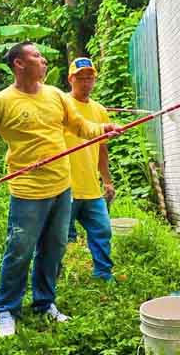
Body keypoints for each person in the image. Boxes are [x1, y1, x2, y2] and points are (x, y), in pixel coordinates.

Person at [0, 42, 122, 337]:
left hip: (63, 187)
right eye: (36, 56)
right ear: (19, 64)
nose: (44, 60)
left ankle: (44, 303)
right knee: (19, 251)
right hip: (28, 192)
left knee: (54, 248)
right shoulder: (0, 102)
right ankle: (7, 309)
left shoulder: (55, 96)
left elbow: (79, 126)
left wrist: (104, 129)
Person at [63, 57, 115, 281]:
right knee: (59, 238)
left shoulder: (100, 111)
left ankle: (103, 274)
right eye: (80, 78)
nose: (86, 83)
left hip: (91, 187)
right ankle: (53, 278)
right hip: (64, 186)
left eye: (90, 78)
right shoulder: (61, 105)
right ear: (70, 79)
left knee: (102, 231)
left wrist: (107, 180)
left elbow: (102, 149)